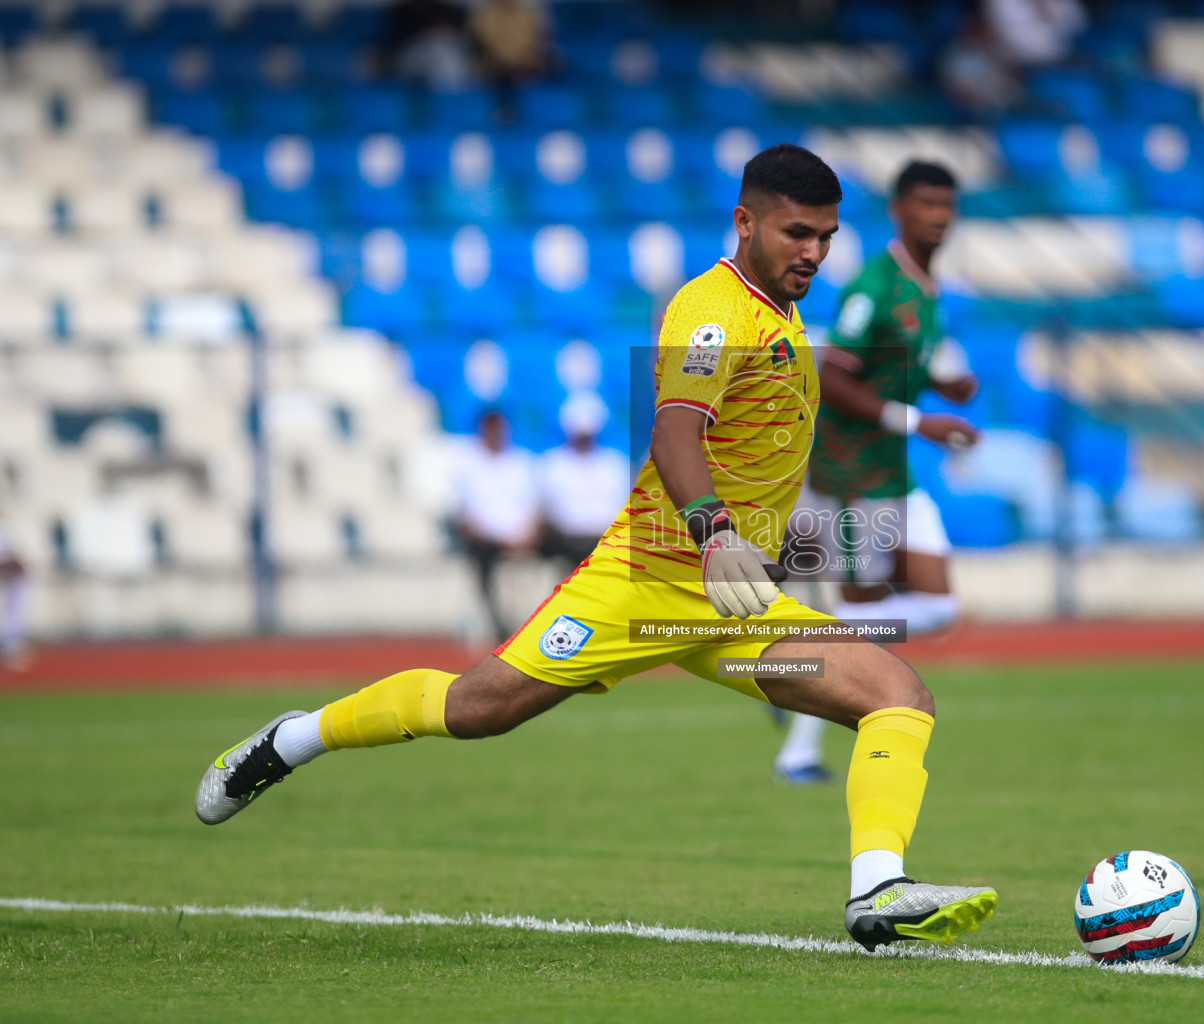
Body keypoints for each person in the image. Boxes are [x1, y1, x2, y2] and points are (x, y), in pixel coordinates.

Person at [194, 144, 997, 951]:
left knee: (898, 696)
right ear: (745, 221)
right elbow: (675, 428)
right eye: (796, 234)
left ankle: (877, 892)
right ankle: (293, 738)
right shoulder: (712, 311)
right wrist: (716, 531)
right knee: (478, 710)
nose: (814, 253)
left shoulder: (782, 311)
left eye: (825, 236)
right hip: (643, 585)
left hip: (736, 614)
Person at [772, 161, 981, 785]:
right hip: (852, 479)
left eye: (946, 203)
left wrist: (945, 380)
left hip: (891, 474)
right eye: (925, 203)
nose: (938, 215)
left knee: (920, 611)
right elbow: (833, 376)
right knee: (902, 615)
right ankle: (800, 738)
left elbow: (900, 357)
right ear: (898, 209)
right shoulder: (875, 283)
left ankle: (804, 693)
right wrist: (923, 420)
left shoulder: (924, 284)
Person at [451, 408, 541, 639]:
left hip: (523, 540)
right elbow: (465, 516)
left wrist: (526, 537)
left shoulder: (522, 461)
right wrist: (499, 540)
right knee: (482, 558)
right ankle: (496, 625)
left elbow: (536, 507)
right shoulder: (466, 464)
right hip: (485, 541)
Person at [536, 391, 631, 575]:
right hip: (562, 547)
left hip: (606, 547)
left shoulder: (616, 463)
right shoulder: (551, 463)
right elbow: (545, 513)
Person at [469, 0, 552, 84]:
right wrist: (509, 61)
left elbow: (533, 44)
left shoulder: (527, 16)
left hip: (525, 62)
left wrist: (522, 59)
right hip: (497, 64)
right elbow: (486, 46)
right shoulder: (482, 19)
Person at [0, 518, 29, 670]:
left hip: (9, 575)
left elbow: (10, 554)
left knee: (14, 608)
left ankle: (11, 644)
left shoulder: (3, 528)